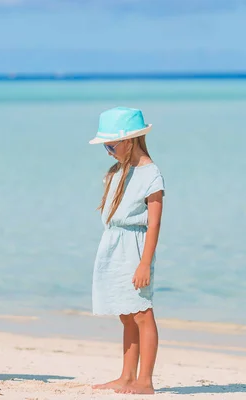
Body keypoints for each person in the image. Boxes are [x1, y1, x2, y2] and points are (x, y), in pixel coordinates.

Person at [89, 107, 165, 395]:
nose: (108, 151)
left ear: (130, 140)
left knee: (142, 312)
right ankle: (126, 376)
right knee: (125, 312)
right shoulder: (120, 171)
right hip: (113, 245)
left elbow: (155, 225)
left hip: (135, 247)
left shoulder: (151, 175)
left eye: (111, 145)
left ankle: (145, 381)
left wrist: (144, 264)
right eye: (105, 146)